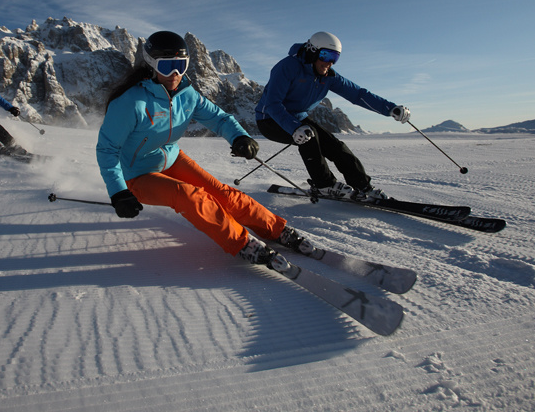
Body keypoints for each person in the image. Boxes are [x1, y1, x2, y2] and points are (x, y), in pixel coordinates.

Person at [96, 30, 310, 272]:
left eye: (181, 65)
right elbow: (107, 149)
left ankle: (277, 229)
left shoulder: (186, 94)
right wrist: (118, 192)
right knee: (190, 196)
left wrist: (239, 136)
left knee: (223, 194)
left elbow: (219, 118)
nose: (175, 74)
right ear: (151, 64)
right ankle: (243, 244)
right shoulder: (131, 102)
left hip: (172, 158)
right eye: (167, 66)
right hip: (137, 174)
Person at [255, 31, 411, 201]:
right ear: (313, 51)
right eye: (326, 55)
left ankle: (363, 186)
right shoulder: (288, 67)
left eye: (335, 58)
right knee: (310, 138)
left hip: (298, 118)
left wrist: (390, 108)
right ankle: (324, 185)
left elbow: (358, 94)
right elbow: (272, 104)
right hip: (269, 119)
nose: (329, 62)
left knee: (335, 146)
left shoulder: (328, 76)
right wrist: (294, 128)